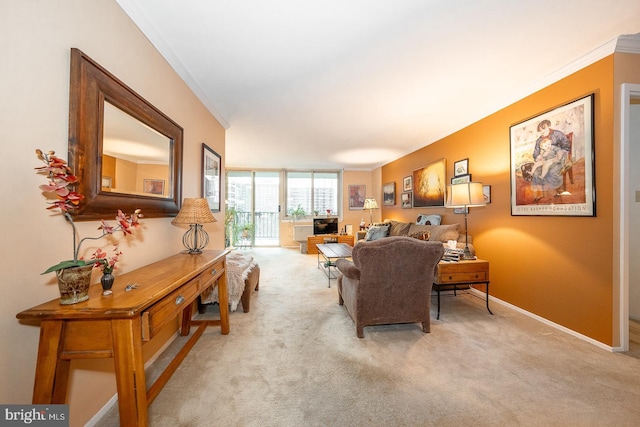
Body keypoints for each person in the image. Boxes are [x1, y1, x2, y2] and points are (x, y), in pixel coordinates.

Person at [530, 120, 570, 202]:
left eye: (543, 130)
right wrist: (538, 157)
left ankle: (558, 191)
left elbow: (566, 146)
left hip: (558, 158)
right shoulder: (539, 140)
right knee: (537, 171)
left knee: (552, 171)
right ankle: (540, 193)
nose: (542, 133)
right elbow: (535, 153)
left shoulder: (557, 134)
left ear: (548, 126)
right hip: (546, 159)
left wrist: (559, 154)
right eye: (540, 131)